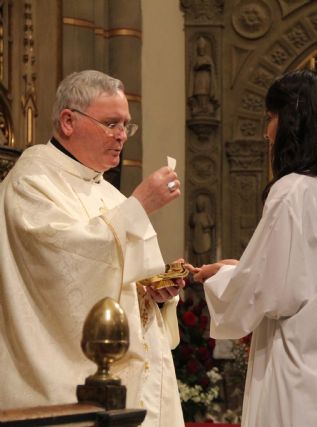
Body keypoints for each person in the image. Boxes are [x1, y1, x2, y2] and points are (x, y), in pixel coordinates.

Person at [0, 70, 185, 426]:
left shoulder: (107, 192)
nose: (121, 137)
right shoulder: (32, 180)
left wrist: (155, 292)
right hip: (62, 387)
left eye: (126, 126)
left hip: (128, 388)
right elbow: (64, 269)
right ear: (68, 121)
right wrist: (140, 203)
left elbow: (119, 278)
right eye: (111, 124)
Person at [193, 69, 317, 427]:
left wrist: (223, 276)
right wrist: (245, 269)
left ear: (293, 120)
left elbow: (271, 291)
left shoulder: (292, 191)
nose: (267, 131)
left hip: (298, 368)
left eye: (272, 117)